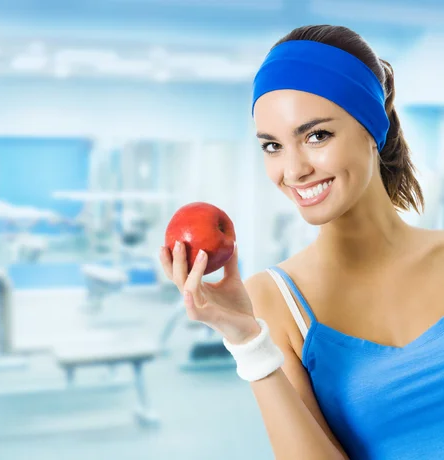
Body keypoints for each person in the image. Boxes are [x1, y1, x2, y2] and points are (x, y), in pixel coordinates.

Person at [159, 24, 444, 460]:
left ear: (372, 127)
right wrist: (248, 343)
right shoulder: (274, 300)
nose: (292, 171)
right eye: (272, 146)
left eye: (316, 136)